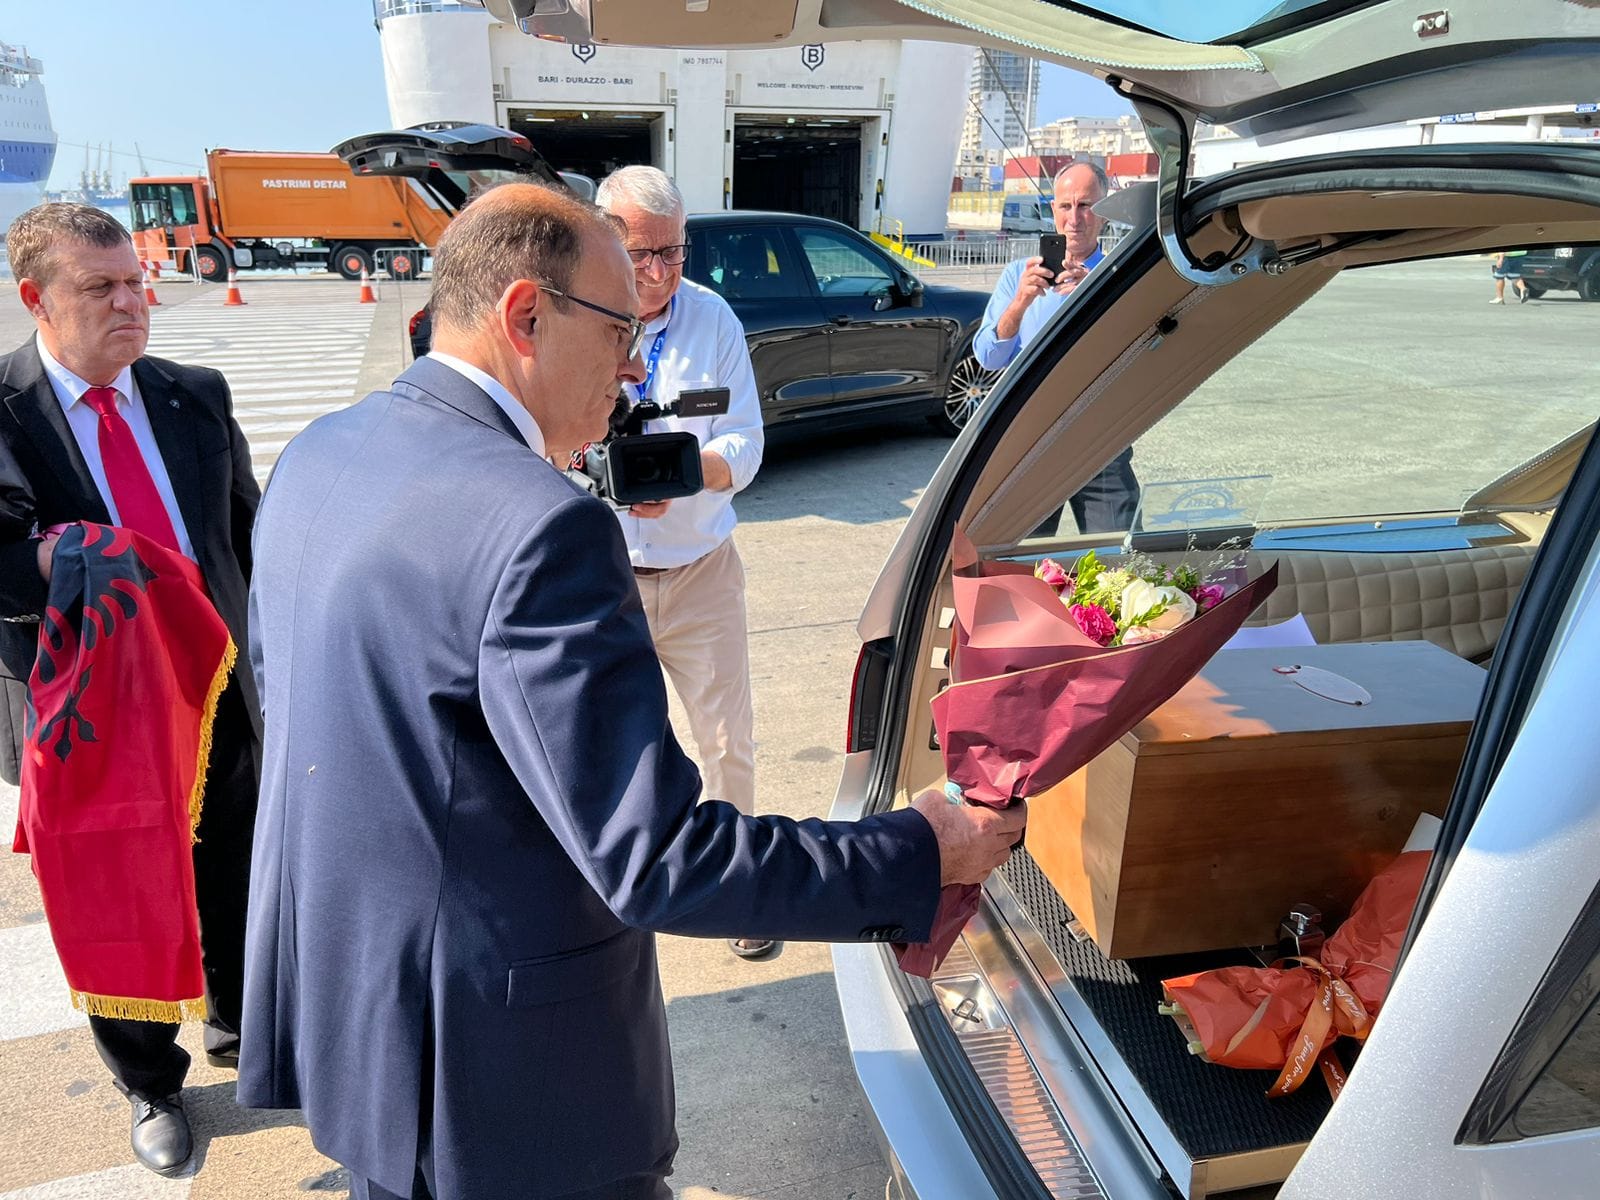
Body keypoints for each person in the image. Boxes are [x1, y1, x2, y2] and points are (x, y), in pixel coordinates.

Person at [237, 181, 1025, 1200]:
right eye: (619, 329)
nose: (637, 364)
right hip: (501, 1077)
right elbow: (657, 857)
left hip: (358, 1014)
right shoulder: (540, 525)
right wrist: (919, 850)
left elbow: (295, 714)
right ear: (526, 315)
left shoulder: (318, 453)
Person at [0, 203, 261, 1176]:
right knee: (115, 900)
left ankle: (244, 1029)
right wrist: (70, 558)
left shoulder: (193, 393)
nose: (130, 303)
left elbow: (246, 537)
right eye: (100, 288)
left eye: (135, 283)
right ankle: (151, 1082)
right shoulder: (5, 411)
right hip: (90, 719)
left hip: (215, 690)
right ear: (37, 298)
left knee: (237, 870)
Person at [593, 165, 772, 959]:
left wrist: (685, 474)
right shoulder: (575, 317)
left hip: (701, 573)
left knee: (727, 743)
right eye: (641, 254)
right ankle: (611, 896)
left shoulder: (714, 318)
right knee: (606, 747)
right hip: (605, 577)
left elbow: (747, 441)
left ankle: (740, 893)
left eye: (673, 251)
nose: (660, 271)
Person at [975, 161, 1139, 533]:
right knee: (1024, 554)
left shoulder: (1121, 275)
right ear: (1053, 210)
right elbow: (988, 357)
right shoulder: (1017, 276)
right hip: (1031, 440)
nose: (1074, 218)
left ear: (1104, 212)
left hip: (1100, 438)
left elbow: (1142, 357)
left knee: (1118, 553)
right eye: (1066, 206)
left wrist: (1096, 297)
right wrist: (1020, 303)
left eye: (1086, 206)